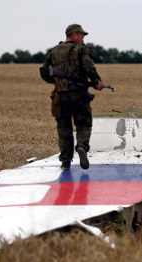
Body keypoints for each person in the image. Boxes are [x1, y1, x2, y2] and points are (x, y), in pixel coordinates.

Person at [42, 24, 104, 170]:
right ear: (74, 35)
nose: (83, 39)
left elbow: (44, 71)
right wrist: (97, 82)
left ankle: (65, 162)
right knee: (83, 124)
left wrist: (57, 82)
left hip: (59, 96)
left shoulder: (53, 51)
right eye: (82, 36)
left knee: (64, 129)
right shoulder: (81, 49)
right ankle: (81, 146)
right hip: (78, 95)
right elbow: (89, 67)